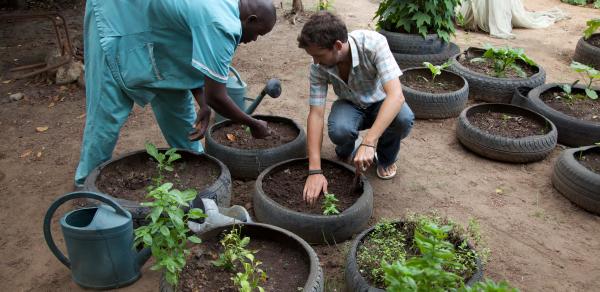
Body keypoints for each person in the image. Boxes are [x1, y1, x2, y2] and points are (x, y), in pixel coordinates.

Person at [74, 0, 277, 187]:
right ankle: (85, 188)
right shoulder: (222, 24)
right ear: (251, 19)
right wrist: (253, 124)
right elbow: (217, 96)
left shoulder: (225, 8)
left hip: (160, 41)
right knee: (106, 114)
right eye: (259, 33)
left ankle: (196, 167)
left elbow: (186, 42)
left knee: (177, 105)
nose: (255, 39)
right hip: (117, 17)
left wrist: (203, 103)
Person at [298, 12, 414, 204]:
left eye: (318, 55)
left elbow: (396, 96)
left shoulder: (374, 44)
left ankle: (385, 158)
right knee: (339, 130)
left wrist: (369, 143)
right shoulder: (317, 67)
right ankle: (347, 147)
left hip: (380, 103)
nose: (315, 62)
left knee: (402, 118)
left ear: (337, 46)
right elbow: (316, 115)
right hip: (350, 104)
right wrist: (315, 170)